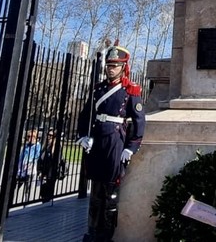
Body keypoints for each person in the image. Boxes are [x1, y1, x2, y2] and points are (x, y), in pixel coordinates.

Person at [76, 43, 146, 242]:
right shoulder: (98, 90)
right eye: (109, 65)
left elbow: (139, 121)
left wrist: (131, 147)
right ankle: (92, 232)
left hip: (115, 143)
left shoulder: (130, 91)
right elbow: (86, 115)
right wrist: (84, 135)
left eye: (115, 65)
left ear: (123, 67)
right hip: (97, 141)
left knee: (110, 194)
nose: (110, 69)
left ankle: (106, 235)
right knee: (96, 192)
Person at [36, 130, 64, 204]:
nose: (49, 137)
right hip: (44, 171)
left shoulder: (57, 146)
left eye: (51, 136)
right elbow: (40, 159)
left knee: (49, 189)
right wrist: (39, 170)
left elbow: (57, 160)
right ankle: (44, 201)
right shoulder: (45, 146)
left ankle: (47, 201)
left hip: (51, 171)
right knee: (43, 190)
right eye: (48, 135)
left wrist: (52, 150)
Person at [15, 129, 40, 199]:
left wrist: (29, 161)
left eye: (33, 136)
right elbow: (21, 156)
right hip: (22, 170)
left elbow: (36, 156)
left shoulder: (37, 145)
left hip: (30, 171)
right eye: (28, 136)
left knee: (27, 189)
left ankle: (26, 203)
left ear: (36, 137)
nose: (30, 138)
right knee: (16, 187)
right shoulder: (26, 146)